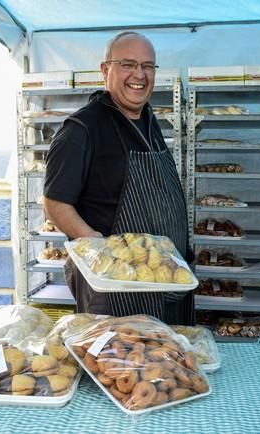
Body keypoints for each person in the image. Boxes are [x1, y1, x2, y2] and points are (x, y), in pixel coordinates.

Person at [43, 31, 193, 325]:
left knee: (166, 365)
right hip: (115, 288)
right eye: (128, 64)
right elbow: (55, 202)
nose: (139, 74)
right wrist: (102, 252)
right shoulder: (82, 129)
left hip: (166, 281)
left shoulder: (149, 122)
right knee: (121, 367)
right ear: (105, 70)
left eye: (148, 66)